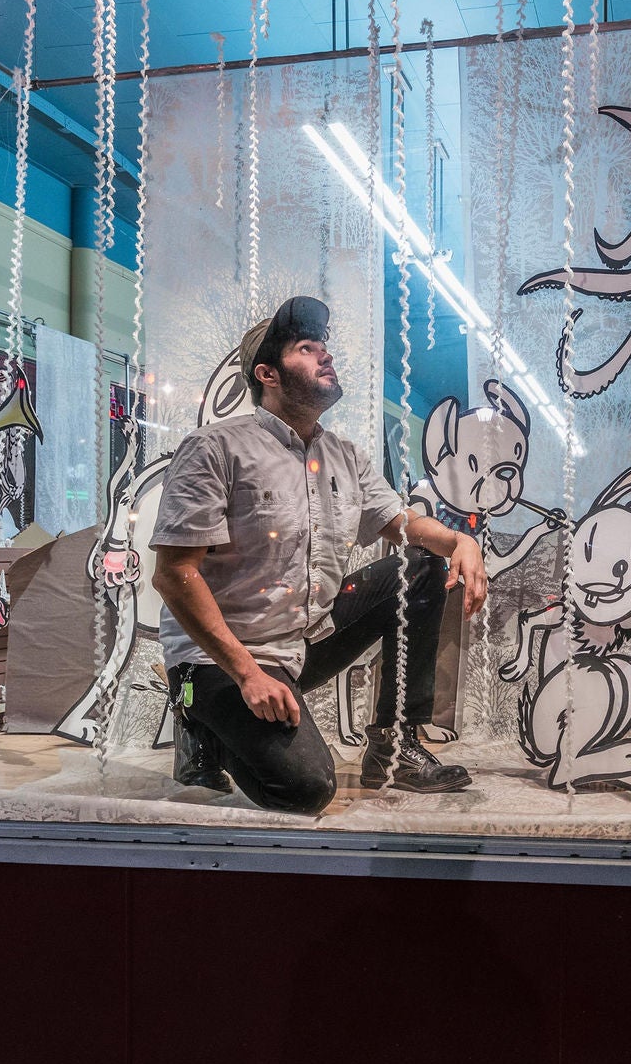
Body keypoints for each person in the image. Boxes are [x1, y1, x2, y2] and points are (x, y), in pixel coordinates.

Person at [150, 296, 488, 815]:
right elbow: (175, 576)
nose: (326, 356)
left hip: (300, 643)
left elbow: (401, 523)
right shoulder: (215, 448)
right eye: (307, 349)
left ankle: (394, 747)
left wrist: (459, 541)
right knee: (305, 790)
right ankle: (201, 724)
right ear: (268, 373)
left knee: (420, 567)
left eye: (324, 347)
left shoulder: (344, 456)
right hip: (221, 659)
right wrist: (247, 675)